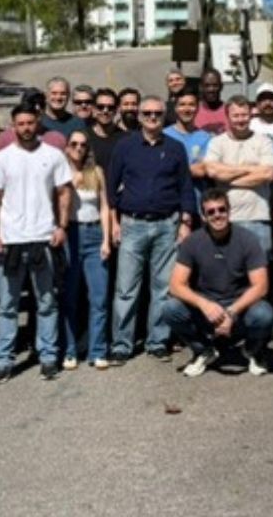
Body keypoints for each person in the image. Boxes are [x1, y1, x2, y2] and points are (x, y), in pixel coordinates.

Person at [0, 104, 74, 383]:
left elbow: (64, 192)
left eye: (30, 123)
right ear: (13, 126)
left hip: (43, 239)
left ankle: (48, 357)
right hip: (10, 241)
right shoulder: (2, 158)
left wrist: (62, 226)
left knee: (46, 302)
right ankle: (4, 361)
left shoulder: (53, 155)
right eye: (20, 123)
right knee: (7, 305)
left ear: (38, 123)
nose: (25, 128)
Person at [106, 95, 193, 364]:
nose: (152, 117)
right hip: (132, 225)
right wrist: (114, 223)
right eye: (147, 113)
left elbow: (185, 186)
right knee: (126, 289)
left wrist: (185, 223)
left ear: (164, 116)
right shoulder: (125, 146)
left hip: (167, 225)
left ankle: (158, 341)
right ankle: (122, 344)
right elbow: (111, 187)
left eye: (157, 113)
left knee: (163, 288)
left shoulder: (176, 147)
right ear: (139, 116)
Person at [164, 189, 273, 377]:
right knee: (170, 309)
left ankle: (252, 350)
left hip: (239, 307)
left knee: (264, 313)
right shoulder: (192, 242)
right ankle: (203, 350)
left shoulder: (247, 239)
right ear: (204, 216)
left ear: (229, 211)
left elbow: (261, 286)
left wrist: (231, 312)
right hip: (207, 309)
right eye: (211, 212)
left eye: (222, 209)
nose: (217, 215)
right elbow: (176, 285)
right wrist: (205, 305)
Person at [196, 97, 273, 251]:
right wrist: (251, 168)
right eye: (236, 116)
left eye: (244, 115)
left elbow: (268, 173)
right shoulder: (217, 143)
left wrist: (226, 178)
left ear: (251, 115)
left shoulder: (264, 142)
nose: (241, 120)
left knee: (259, 264)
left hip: (258, 217)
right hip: (226, 218)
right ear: (227, 117)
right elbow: (212, 171)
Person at [61, 130, 111, 370]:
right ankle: (70, 351)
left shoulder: (96, 172)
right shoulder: (60, 172)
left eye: (83, 144)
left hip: (94, 234)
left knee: (99, 297)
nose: (79, 148)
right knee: (70, 297)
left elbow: (104, 207)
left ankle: (97, 351)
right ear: (67, 147)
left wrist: (106, 240)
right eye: (74, 144)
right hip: (70, 233)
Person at [165, 90, 213, 165]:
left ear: (198, 108)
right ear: (175, 108)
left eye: (191, 104)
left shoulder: (206, 139)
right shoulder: (164, 136)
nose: (187, 109)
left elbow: (205, 167)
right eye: (182, 104)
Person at [85, 91, 126, 167]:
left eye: (110, 107)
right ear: (93, 109)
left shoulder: (125, 139)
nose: (105, 111)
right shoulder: (84, 137)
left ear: (116, 110)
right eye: (100, 107)